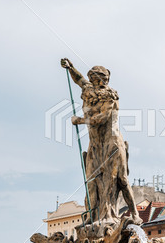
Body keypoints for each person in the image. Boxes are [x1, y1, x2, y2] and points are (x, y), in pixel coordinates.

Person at [61, 58, 142, 226]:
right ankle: (92, 214)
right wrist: (70, 68)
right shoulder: (89, 91)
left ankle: (134, 213)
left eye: (99, 80)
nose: (96, 83)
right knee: (91, 179)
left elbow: (102, 117)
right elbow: (79, 80)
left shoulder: (110, 96)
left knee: (120, 179)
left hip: (111, 144)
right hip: (95, 145)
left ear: (105, 80)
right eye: (94, 79)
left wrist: (80, 120)